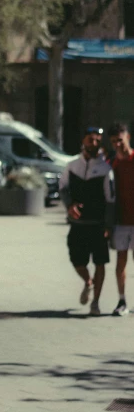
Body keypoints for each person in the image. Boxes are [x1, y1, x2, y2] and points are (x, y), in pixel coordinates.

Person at [59, 126, 115, 316]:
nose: (94, 143)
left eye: (98, 140)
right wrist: (69, 205)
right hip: (78, 224)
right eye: (91, 139)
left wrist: (109, 224)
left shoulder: (105, 169)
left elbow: (110, 199)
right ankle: (87, 282)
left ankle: (96, 303)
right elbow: (64, 188)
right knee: (77, 260)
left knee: (100, 262)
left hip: (97, 224)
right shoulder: (72, 165)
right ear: (83, 141)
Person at [107, 122, 134, 316]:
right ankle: (122, 301)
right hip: (120, 221)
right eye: (114, 141)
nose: (117, 144)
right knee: (120, 262)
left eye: (120, 140)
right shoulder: (111, 164)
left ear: (128, 138)